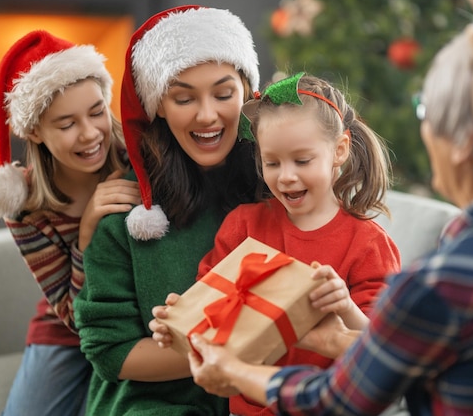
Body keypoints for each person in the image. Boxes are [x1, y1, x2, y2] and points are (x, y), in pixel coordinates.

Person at [184, 0, 473, 414]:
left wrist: (240, 371)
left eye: (427, 113)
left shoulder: (439, 284)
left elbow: (341, 398)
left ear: (463, 145)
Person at [150, 71, 401, 415]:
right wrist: (181, 324)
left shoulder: (368, 244)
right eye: (272, 162)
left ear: (339, 150)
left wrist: (345, 308)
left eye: (302, 160)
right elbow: (214, 311)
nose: (286, 176)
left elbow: (385, 351)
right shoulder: (244, 225)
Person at [72, 5, 264, 415]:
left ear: (247, 92)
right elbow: (112, 352)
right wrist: (230, 353)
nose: (208, 114)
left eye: (224, 93)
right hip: (151, 403)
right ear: (158, 104)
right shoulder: (128, 212)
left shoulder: (279, 188)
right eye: (183, 98)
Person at [0, 30, 141, 416]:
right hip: (66, 330)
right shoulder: (25, 205)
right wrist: (87, 234)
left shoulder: (137, 161)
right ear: (34, 131)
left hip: (136, 321)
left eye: (97, 111)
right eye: (66, 124)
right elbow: (71, 312)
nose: (89, 133)